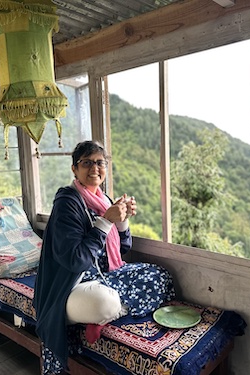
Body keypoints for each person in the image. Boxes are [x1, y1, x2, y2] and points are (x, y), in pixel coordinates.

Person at [33, 140, 175, 374]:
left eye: (100, 162)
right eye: (86, 162)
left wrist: (121, 218)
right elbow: (76, 261)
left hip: (104, 275)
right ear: (74, 169)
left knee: (160, 275)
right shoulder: (67, 203)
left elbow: (121, 250)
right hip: (70, 285)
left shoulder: (103, 199)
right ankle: (104, 312)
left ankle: (103, 316)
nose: (94, 168)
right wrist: (106, 220)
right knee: (103, 302)